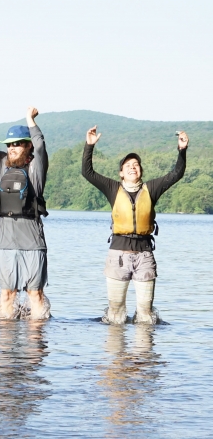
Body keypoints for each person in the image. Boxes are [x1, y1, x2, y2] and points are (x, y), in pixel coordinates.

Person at [81, 126, 188, 324]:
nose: (132, 167)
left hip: (145, 255)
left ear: (141, 171)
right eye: (128, 165)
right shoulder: (113, 188)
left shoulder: (152, 189)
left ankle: (143, 353)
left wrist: (182, 150)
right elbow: (87, 172)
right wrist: (89, 146)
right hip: (118, 255)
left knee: (146, 315)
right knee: (115, 314)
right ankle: (116, 352)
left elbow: (176, 174)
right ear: (121, 173)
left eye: (136, 164)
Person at [0, 105, 50, 319]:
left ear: (27, 146)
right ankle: (6, 348)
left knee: (35, 294)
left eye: (17, 144)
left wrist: (30, 120)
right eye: (9, 145)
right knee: (7, 294)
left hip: (33, 242)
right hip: (7, 243)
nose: (12, 148)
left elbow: (41, 145)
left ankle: (35, 347)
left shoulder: (36, 167)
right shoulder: (2, 165)